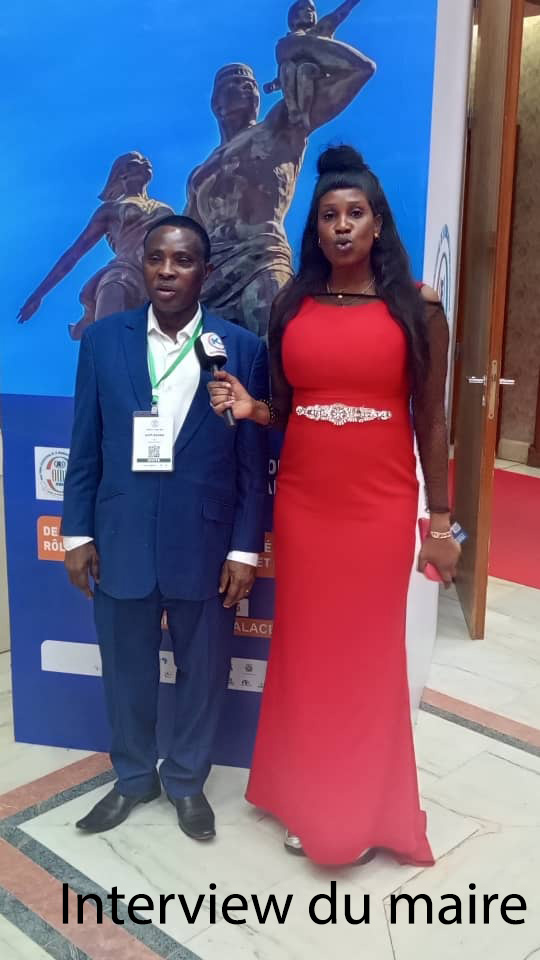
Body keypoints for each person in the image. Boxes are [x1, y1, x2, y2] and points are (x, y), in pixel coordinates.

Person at [208, 146, 460, 866]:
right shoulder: (291, 304)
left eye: (355, 213)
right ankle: (304, 794)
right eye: (329, 216)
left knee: (367, 655)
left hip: (379, 506)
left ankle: (361, 806)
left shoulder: (418, 308)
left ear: (378, 223)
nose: (342, 226)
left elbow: (432, 420)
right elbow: (288, 410)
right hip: (306, 505)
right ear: (315, 229)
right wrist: (253, 409)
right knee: (308, 650)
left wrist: (442, 521)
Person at [62, 215, 268, 838]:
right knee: (126, 670)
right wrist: (77, 534)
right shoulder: (103, 341)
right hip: (120, 536)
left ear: (205, 271)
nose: (167, 271)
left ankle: (185, 782)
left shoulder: (240, 348)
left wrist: (244, 550)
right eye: (156, 259)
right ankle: (132, 778)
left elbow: (252, 466)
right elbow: (85, 445)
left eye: (182, 261)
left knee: (203, 672)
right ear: (142, 265)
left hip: (205, 542)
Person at [184, 35, 375, 337]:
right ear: (217, 104)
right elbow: (185, 237)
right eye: (236, 84)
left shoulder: (278, 127)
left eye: (251, 85)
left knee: (277, 345)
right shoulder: (199, 175)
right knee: (203, 361)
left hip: (262, 257)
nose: (248, 89)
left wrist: (301, 44)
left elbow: (358, 69)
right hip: (210, 276)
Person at [17, 152, 173, 340]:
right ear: (122, 174)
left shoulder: (166, 209)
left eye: (145, 161)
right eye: (135, 162)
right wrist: (39, 294)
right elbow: (74, 253)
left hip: (161, 277)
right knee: (109, 338)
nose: (144, 163)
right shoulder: (110, 209)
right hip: (124, 275)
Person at [264, 0, 364, 128]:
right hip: (294, 81)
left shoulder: (319, 31)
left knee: (305, 69)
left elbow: (339, 14)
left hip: (315, 73)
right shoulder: (285, 44)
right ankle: (293, 110)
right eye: (304, 9)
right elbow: (282, 75)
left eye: (312, 10)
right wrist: (273, 85)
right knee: (286, 67)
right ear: (294, 16)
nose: (309, 12)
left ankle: (305, 114)